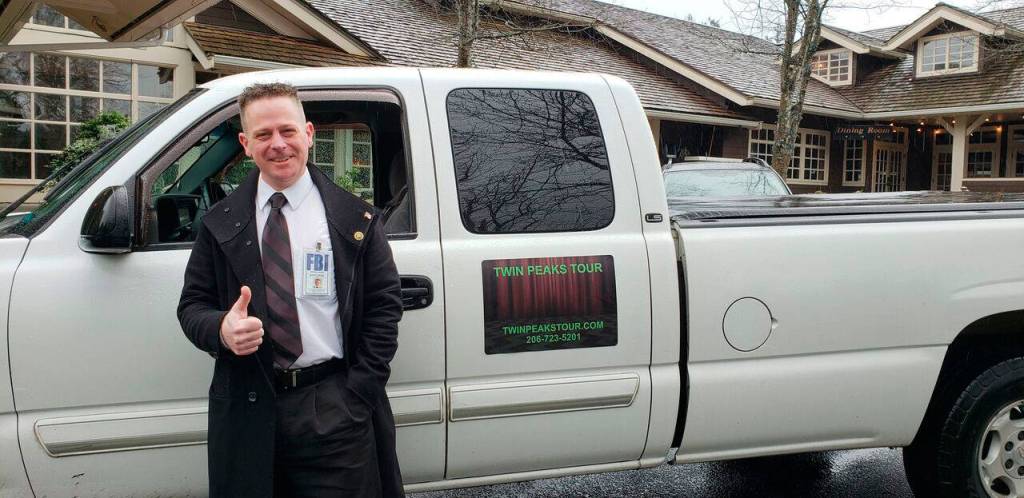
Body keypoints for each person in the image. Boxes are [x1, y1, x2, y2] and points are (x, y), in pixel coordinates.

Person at [177, 82, 404, 498]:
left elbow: (384, 310)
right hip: (249, 410)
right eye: (263, 135)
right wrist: (221, 330)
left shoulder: (355, 220)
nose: (278, 145)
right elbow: (192, 307)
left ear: (309, 134)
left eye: (288, 131)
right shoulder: (220, 222)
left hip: (334, 408)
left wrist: (356, 395)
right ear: (246, 143)